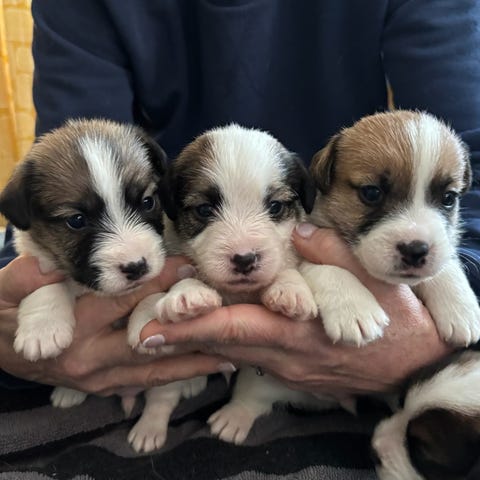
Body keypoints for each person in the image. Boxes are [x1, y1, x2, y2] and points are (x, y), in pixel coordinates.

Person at [0, 0, 479, 477]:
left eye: (276, 208)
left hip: (401, 372)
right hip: (166, 373)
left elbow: (469, 158)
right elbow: (66, 180)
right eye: (204, 210)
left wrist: (451, 303)